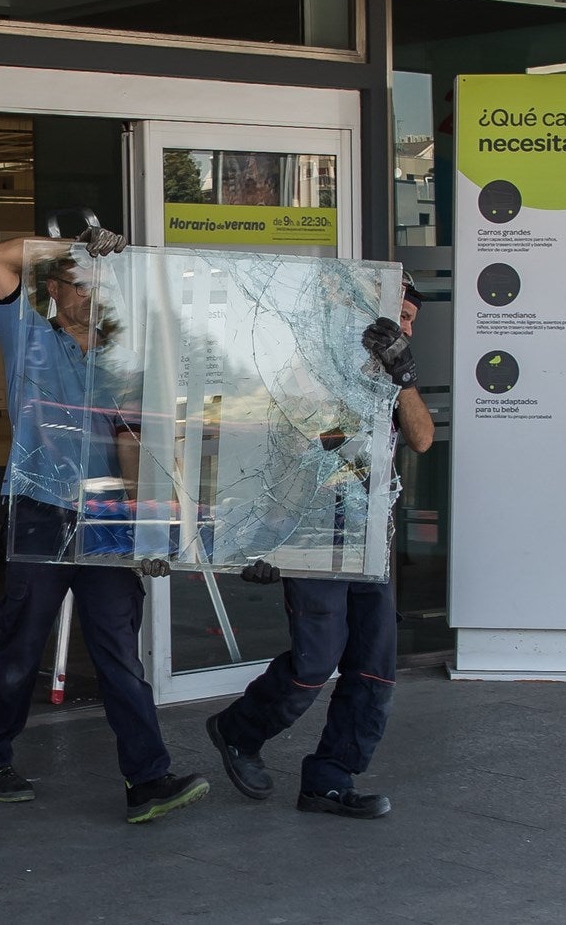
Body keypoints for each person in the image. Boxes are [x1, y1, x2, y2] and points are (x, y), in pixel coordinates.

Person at [0, 224, 209, 822]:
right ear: (53, 289)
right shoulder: (28, 336)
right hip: (42, 511)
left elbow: (140, 445)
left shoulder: (122, 357)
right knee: (22, 645)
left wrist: (153, 526)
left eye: (99, 285)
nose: (91, 295)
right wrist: (74, 245)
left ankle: (148, 779)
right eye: (78, 283)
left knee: (119, 651)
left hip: (106, 518)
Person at [205, 273, 433, 818]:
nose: (401, 328)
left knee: (374, 666)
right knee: (316, 661)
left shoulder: (395, 381)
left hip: (369, 542)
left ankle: (330, 777)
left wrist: (404, 379)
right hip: (312, 538)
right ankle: (239, 730)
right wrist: (262, 542)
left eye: (409, 322)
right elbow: (279, 452)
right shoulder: (315, 370)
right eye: (395, 315)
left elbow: (422, 438)